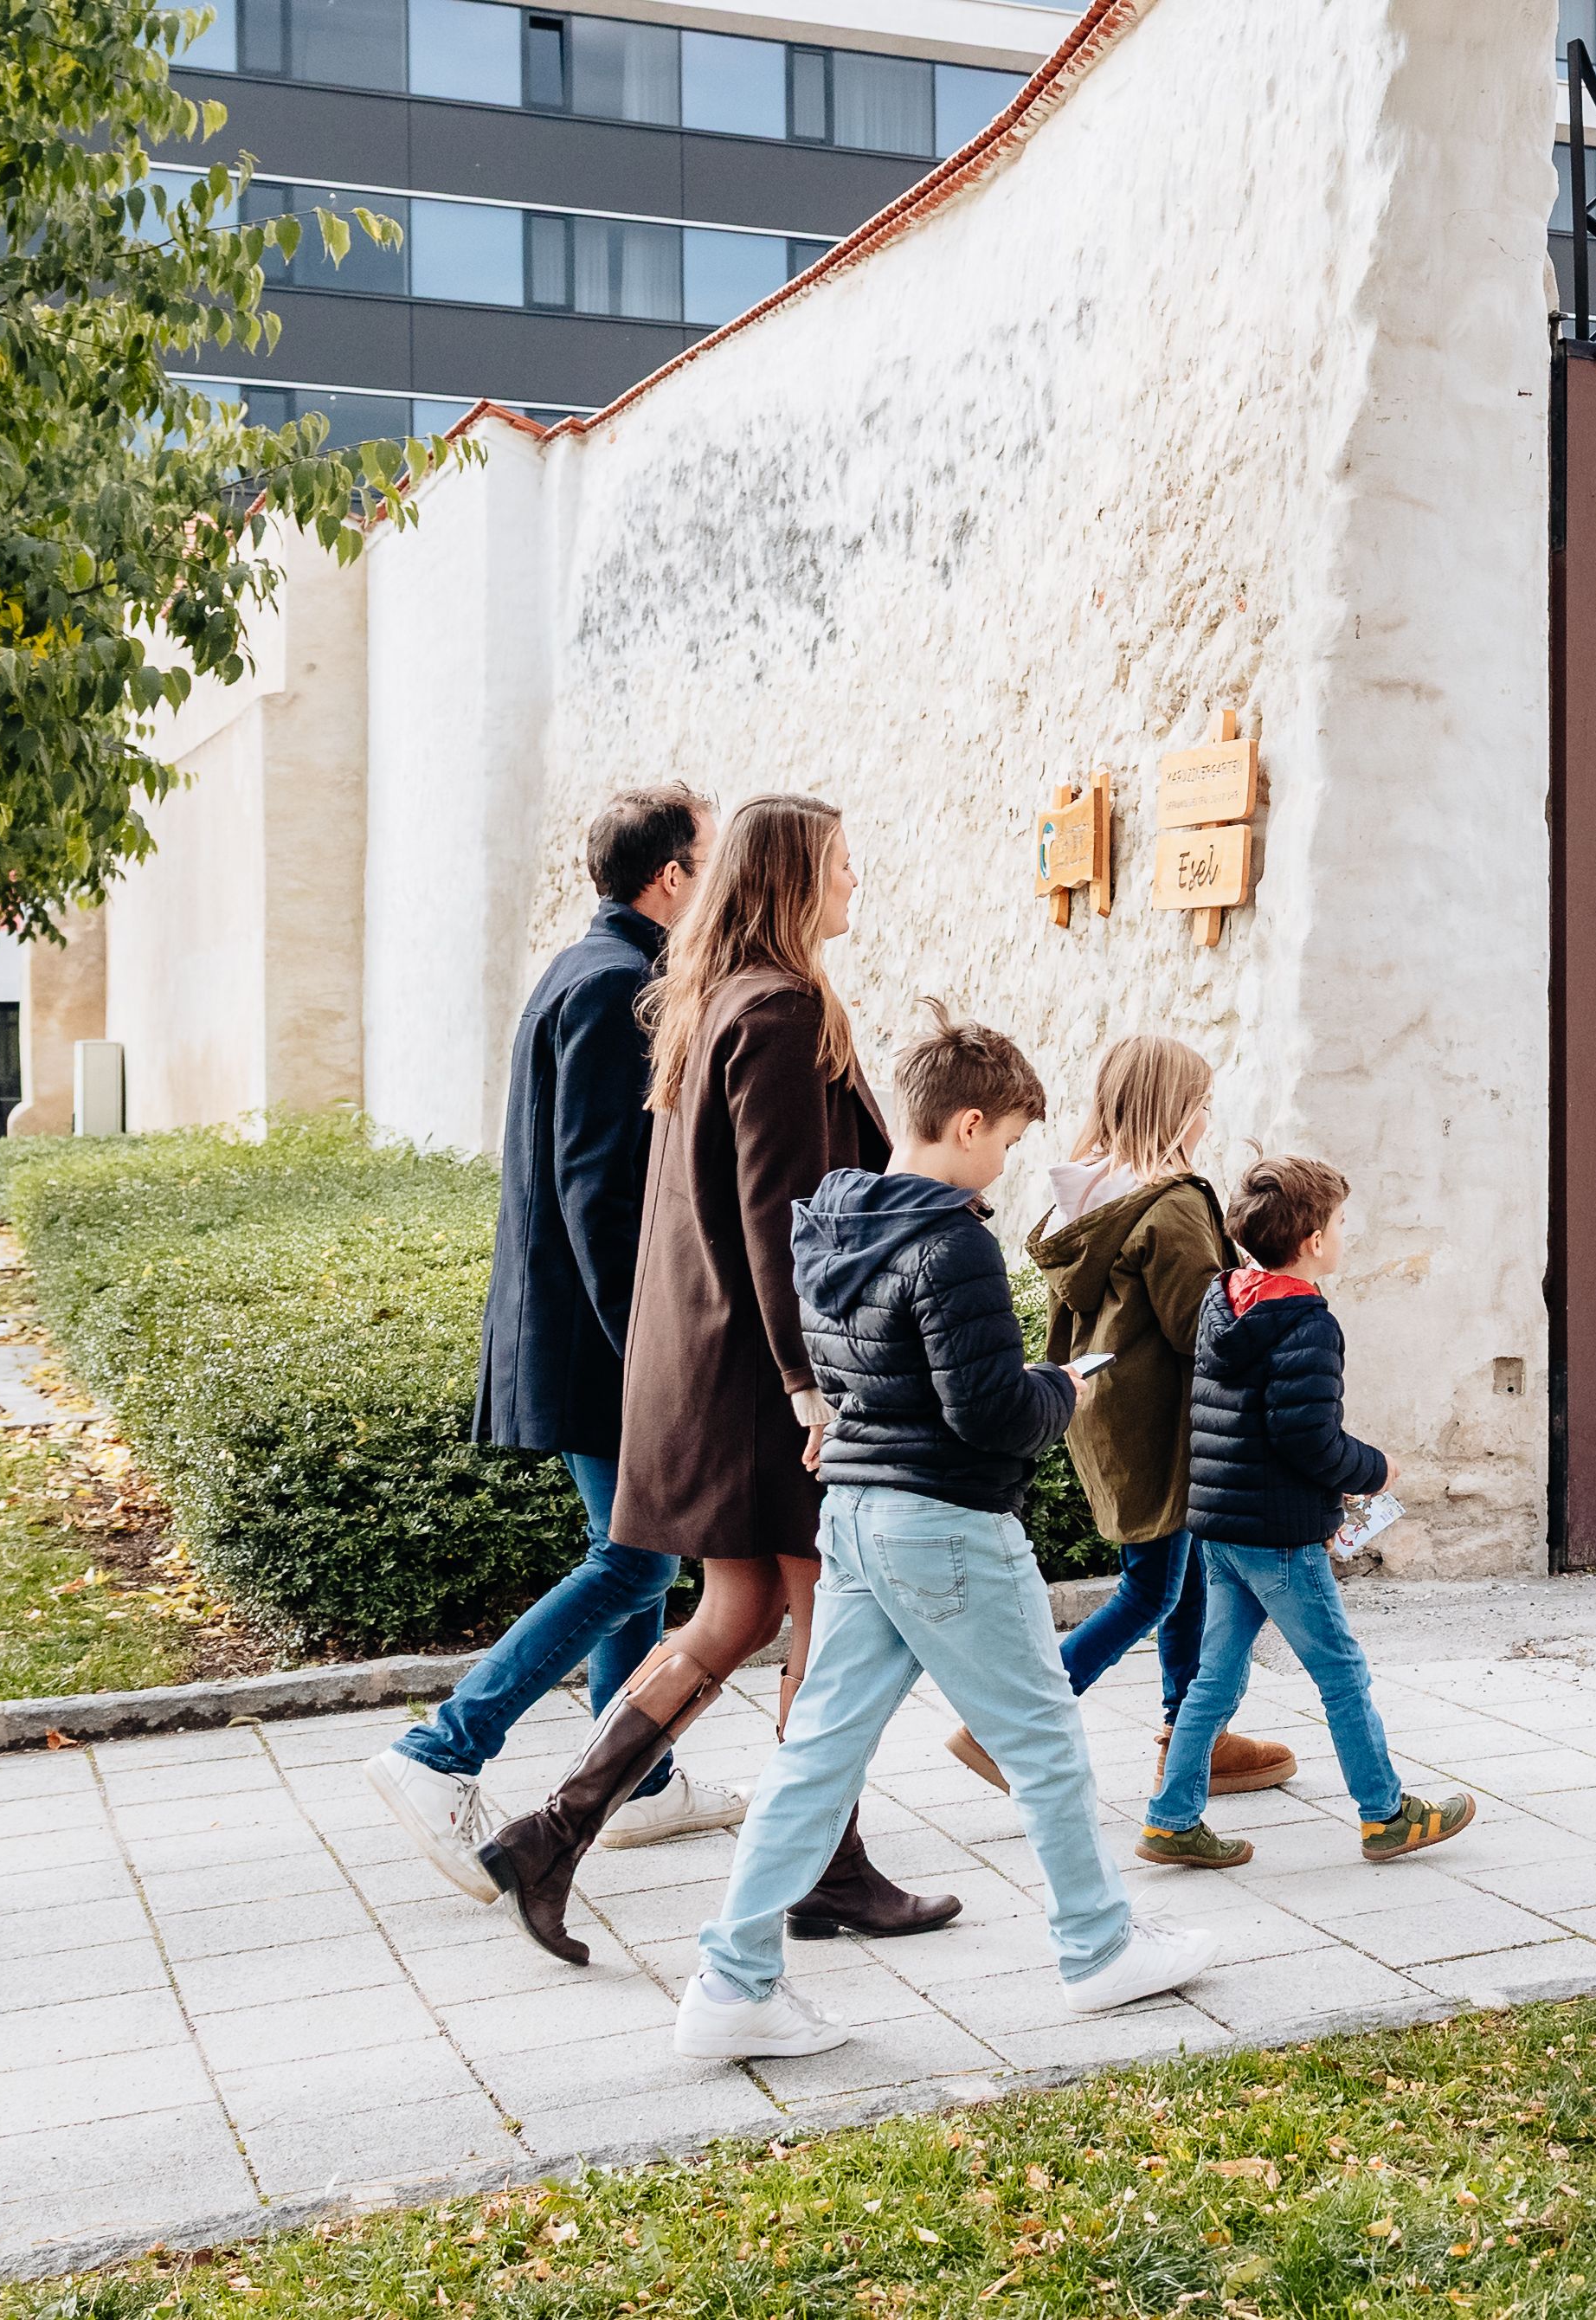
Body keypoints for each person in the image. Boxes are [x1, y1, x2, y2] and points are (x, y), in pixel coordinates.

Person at [674, 1002, 1221, 2059]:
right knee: (1047, 1743)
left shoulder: (830, 1217)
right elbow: (986, 1411)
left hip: (859, 1519)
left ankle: (731, 1981)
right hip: (948, 1525)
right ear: (967, 1124)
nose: (1009, 1164)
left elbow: (850, 1382)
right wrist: (1061, 1389)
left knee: (817, 1755)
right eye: (1010, 1142)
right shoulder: (951, 1245)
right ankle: (1100, 1949)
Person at [477, 792, 960, 1965]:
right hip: (761, 1383)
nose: (856, 883)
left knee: (735, 1613)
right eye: (842, 864)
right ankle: (822, 1874)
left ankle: (551, 1834)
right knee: (824, 1627)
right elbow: (778, 1213)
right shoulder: (783, 1009)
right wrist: (812, 1384)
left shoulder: (709, 1000)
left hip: (707, 1366)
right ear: (796, 880)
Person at [367, 786, 743, 1898]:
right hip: (598, 1340)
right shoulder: (620, 985)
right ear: (669, 877)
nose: (713, 880)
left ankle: (641, 1776)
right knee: (633, 1558)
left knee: (643, 1558)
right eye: (706, 862)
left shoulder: (588, 970)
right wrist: (649, 1351)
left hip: (583, 1333)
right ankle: (442, 1749)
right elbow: (596, 1190)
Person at [937, 1035, 1296, 1801]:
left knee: (1181, 1573)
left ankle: (1189, 1732)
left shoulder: (1087, 1194)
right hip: (1166, 1424)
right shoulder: (1173, 1205)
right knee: (1153, 1589)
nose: (1206, 1121)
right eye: (1201, 1106)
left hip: (1106, 1416)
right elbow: (1200, 1331)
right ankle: (1006, 1731)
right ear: (1172, 1112)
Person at [1137, 1158, 1474, 1871]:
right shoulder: (1307, 1322)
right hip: (1280, 1538)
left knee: (1215, 1678)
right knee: (1341, 1674)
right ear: (1315, 1240)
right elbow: (1307, 1440)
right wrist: (1375, 1468)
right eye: (1342, 1223)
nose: (1346, 1234)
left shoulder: (1222, 1298)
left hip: (1219, 1528)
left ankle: (1170, 1820)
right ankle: (1386, 1815)